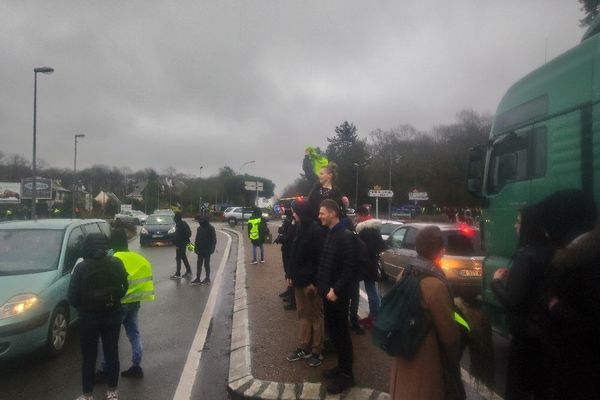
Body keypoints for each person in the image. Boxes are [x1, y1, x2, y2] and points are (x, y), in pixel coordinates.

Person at [535, 189, 598, 400]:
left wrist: (555, 307)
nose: (545, 234)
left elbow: (589, 323)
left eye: (547, 227)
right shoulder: (576, 256)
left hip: (576, 375)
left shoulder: (582, 263)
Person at [389, 226, 463, 400]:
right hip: (426, 359)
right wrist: (455, 354)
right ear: (440, 250)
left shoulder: (405, 273)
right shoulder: (435, 285)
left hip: (404, 352)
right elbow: (449, 335)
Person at [491, 205, 554, 400]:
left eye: (519, 222)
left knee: (517, 391)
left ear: (529, 226)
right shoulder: (552, 252)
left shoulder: (526, 256)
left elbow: (512, 301)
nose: (515, 226)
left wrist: (495, 282)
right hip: (548, 337)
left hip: (526, 339)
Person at [68, 233, 129, 400]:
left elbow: (72, 297)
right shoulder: (116, 263)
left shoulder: (81, 267)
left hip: (88, 318)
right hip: (112, 316)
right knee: (111, 352)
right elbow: (125, 286)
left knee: (89, 356)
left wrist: (84, 306)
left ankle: (87, 394)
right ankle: (112, 391)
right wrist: (114, 301)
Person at [97, 228, 155, 382]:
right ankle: (137, 367)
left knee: (108, 339)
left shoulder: (112, 258)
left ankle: (105, 370)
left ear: (112, 242)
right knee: (134, 334)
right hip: (135, 303)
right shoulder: (139, 259)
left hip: (118, 305)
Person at [316, 199, 357, 394]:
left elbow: (349, 269)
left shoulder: (345, 235)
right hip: (327, 294)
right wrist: (321, 288)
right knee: (333, 333)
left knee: (342, 335)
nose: (320, 216)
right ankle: (340, 367)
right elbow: (326, 263)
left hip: (337, 296)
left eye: (322, 213)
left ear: (333, 213)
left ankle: (347, 376)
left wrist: (336, 290)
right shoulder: (330, 233)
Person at [285, 199, 325, 367]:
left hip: (311, 283)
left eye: (295, 211)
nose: (292, 213)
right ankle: (304, 347)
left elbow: (320, 260)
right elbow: (294, 253)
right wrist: (290, 274)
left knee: (316, 316)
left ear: (301, 212)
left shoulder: (316, 231)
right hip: (299, 280)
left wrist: (315, 282)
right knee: (302, 314)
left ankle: (317, 350)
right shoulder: (299, 227)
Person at [355, 208, 386, 329]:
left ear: (363, 216)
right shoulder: (374, 228)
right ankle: (374, 315)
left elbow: (365, 249)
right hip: (372, 264)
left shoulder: (366, 230)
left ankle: (375, 318)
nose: (356, 218)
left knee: (371, 291)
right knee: (372, 290)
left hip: (368, 265)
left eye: (357, 215)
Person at [302, 151, 345, 222]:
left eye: (321, 174)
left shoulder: (336, 193)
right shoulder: (316, 187)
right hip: (314, 227)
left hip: (328, 229)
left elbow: (341, 214)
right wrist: (307, 157)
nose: (319, 176)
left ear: (329, 176)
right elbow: (308, 171)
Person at [192, 215, 217, 285]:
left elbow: (214, 240)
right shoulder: (199, 228)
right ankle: (198, 278)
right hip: (200, 249)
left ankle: (207, 278)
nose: (200, 222)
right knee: (199, 264)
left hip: (207, 249)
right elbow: (197, 239)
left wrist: (212, 249)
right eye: (199, 221)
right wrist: (195, 248)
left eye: (201, 221)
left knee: (206, 264)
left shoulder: (211, 228)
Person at [170, 212, 193, 279]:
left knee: (178, 258)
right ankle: (188, 271)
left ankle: (178, 274)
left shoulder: (178, 225)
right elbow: (189, 233)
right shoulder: (184, 223)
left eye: (175, 217)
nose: (174, 218)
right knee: (183, 257)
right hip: (185, 243)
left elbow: (178, 236)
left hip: (180, 244)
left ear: (176, 218)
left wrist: (175, 242)